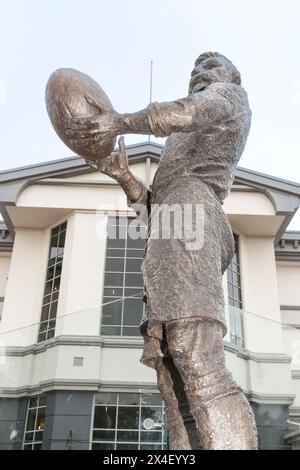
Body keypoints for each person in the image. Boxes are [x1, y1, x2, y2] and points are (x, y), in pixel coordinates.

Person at [67, 52, 258, 450]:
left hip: (196, 219)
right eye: (194, 69)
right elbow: (153, 212)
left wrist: (122, 121)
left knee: (195, 354)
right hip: (171, 227)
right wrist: (123, 177)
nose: (199, 72)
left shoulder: (228, 97)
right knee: (170, 373)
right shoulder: (181, 140)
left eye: (210, 65)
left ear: (230, 76)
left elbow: (185, 112)